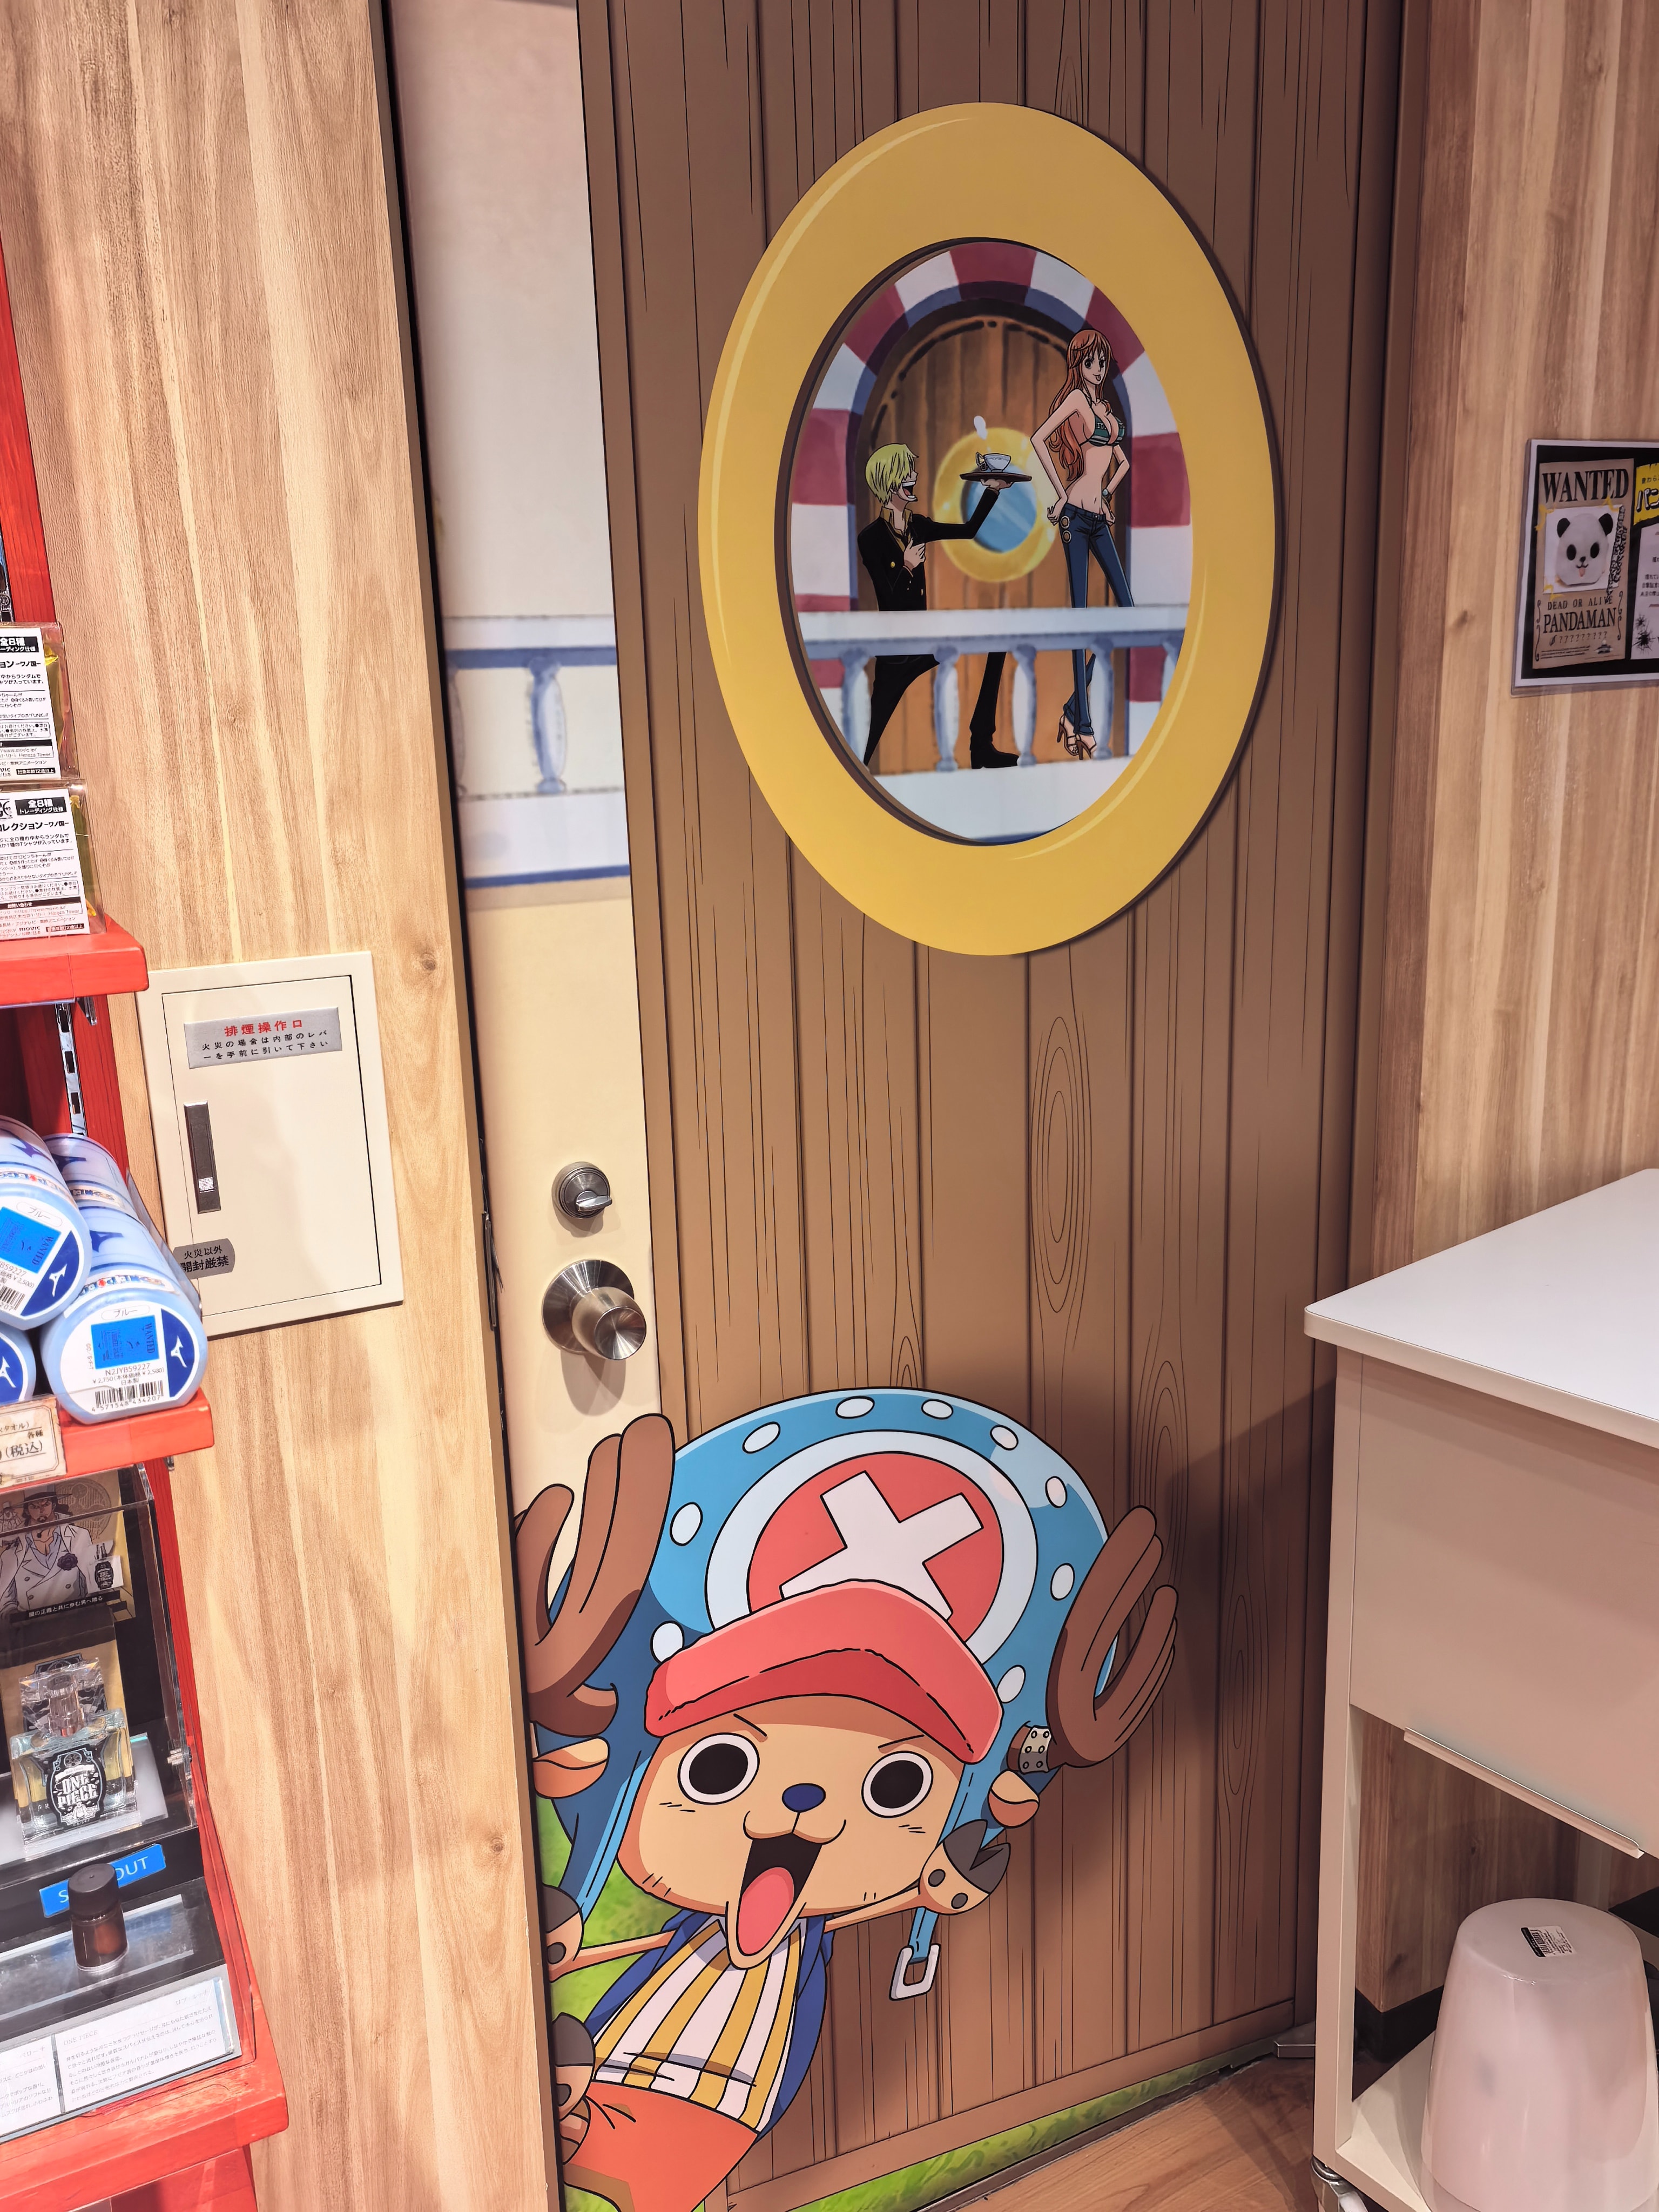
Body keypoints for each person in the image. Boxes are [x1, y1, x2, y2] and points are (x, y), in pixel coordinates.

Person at [854, 443, 1015, 769]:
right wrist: (907, 566)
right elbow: (888, 598)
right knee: (869, 732)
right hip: (896, 651)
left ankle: (981, 745)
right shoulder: (870, 538)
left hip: (926, 639)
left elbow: (969, 531)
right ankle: (849, 770)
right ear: (889, 481)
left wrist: (993, 490)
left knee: (997, 636)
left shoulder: (918, 526)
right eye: (907, 473)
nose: (914, 477)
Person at [1030, 331, 1132, 758]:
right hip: (1074, 516)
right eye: (1091, 362)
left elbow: (1122, 463)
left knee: (1129, 612)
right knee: (1080, 619)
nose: (1098, 369)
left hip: (1098, 519)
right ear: (1078, 364)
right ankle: (1083, 724)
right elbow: (1039, 439)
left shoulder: (1104, 410)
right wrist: (1060, 495)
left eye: (1102, 362)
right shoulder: (1076, 400)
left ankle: (1073, 710)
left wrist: (1107, 495)